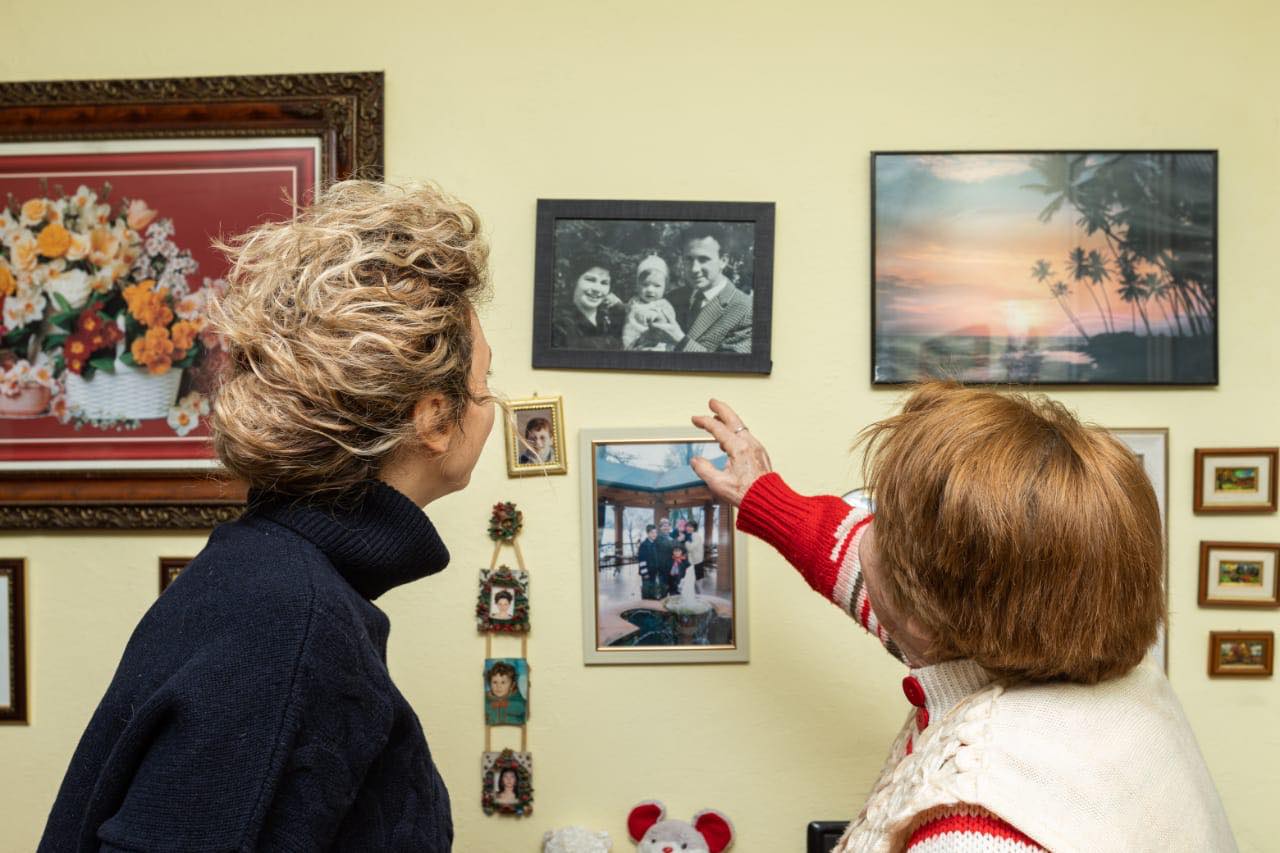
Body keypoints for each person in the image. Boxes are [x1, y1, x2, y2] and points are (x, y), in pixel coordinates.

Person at [39, 181, 494, 852]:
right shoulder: (290, 615)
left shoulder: (269, 577)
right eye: (485, 387)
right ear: (432, 418)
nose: (492, 409)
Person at [689, 388, 1235, 853]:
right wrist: (762, 494)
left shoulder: (972, 832)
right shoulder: (1107, 668)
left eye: (880, 521)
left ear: (925, 616)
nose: (860, 525)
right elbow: (866, 573)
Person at [651, 225, 752, 354]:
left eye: (703, 259)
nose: (694, 269)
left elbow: (730, 365)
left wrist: (680, 340)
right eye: (688, 259)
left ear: (723, 261)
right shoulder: (672, 298)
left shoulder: (746, 310)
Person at [550, 255, 624, 350]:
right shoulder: (558, 326)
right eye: (590, 280)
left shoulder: (610, 322)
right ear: (573, 281)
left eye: (604, 283)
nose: (597, 289)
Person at [621, 253, 679, 351]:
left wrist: (655, 317)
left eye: (657, 286)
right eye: (645, 285)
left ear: (665, 287)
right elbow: (626, 311)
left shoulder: (663, 305)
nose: (650, 290)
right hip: (631, 343)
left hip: (656, 345)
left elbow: (669, 326)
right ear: (637, 285)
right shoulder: (634, 301)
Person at [485, 661, 527, 726]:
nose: (498, 686)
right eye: (495, 682)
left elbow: (524, 713)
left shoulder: (518, 700)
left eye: (503, 682)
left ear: (512, 685)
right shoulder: (486, 700)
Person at [636, 524, 661, 600]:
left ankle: (652, 601)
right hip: (646, 573)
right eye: (652, 532)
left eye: (655, 532)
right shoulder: (644, 545)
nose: (654, 534)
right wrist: (645, 573)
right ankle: (645, 603)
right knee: (646, 590)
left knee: (653, 589)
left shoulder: (655, 543)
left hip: (654, 571)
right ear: (648, 533)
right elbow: (642, 560)